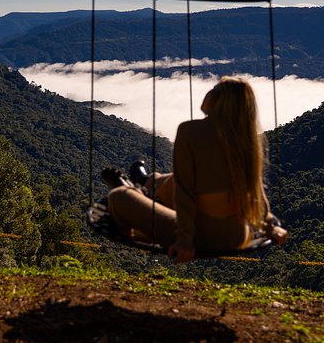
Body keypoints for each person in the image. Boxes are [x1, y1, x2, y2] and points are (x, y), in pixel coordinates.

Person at [103, 76, 287, 263]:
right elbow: (255, 196)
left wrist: (185, 241)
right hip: (238, 235)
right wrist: (272, 227)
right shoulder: (246, 140)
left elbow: (185, 194)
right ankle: (148, 181)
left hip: (201, 238)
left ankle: (135, 190)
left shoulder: (189, 131)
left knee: (118, 196)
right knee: (181, 180)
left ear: (215, 98)